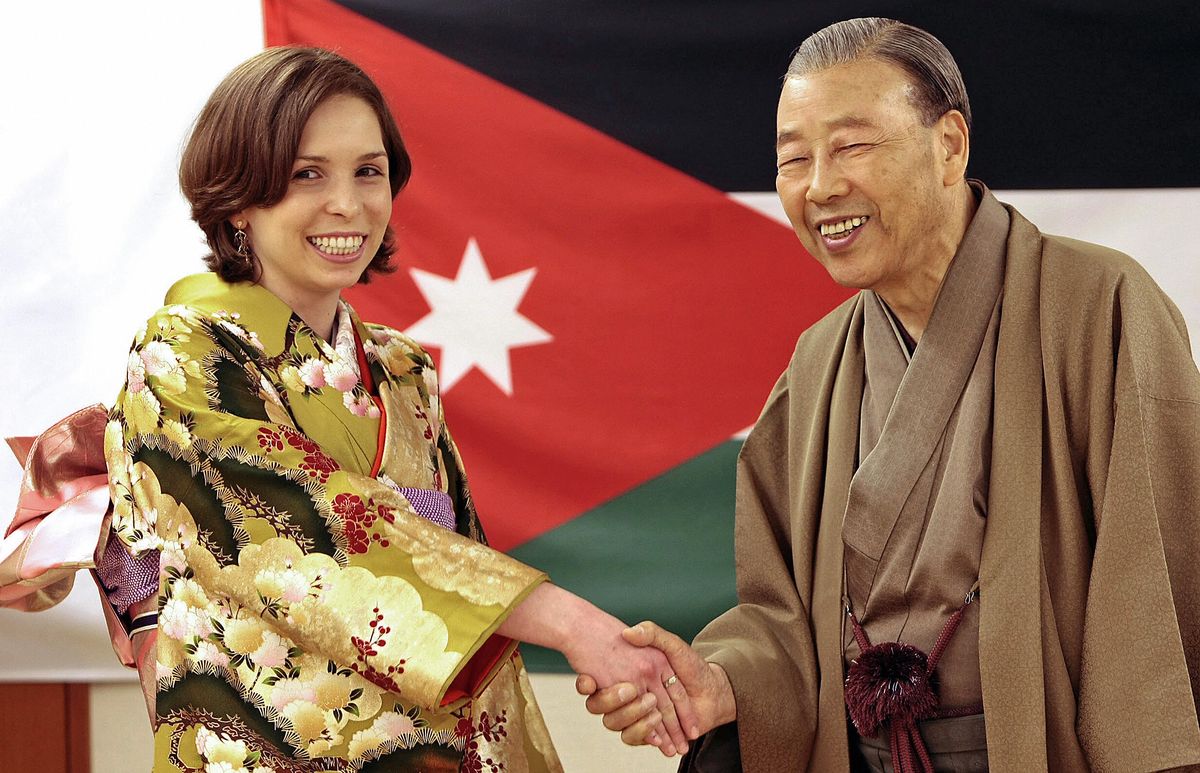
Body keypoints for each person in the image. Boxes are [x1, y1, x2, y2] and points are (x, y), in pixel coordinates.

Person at [16, 46, 692, 771]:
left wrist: (589, 674)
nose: (349, 203)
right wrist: (570, 621)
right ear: (238, 196)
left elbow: (452, 556)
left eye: (369, 171)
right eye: (307, 173)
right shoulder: (182, 354)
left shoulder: (399, 369)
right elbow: (316, 537)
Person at [578, 17, 1200, 773]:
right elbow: (785, 619)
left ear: (949, 146)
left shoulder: (1100, 306)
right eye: (794, 159)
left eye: (852, 146)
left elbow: (1156, 595)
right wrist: (722, 680)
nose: (820, 187)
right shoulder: (818, 363)